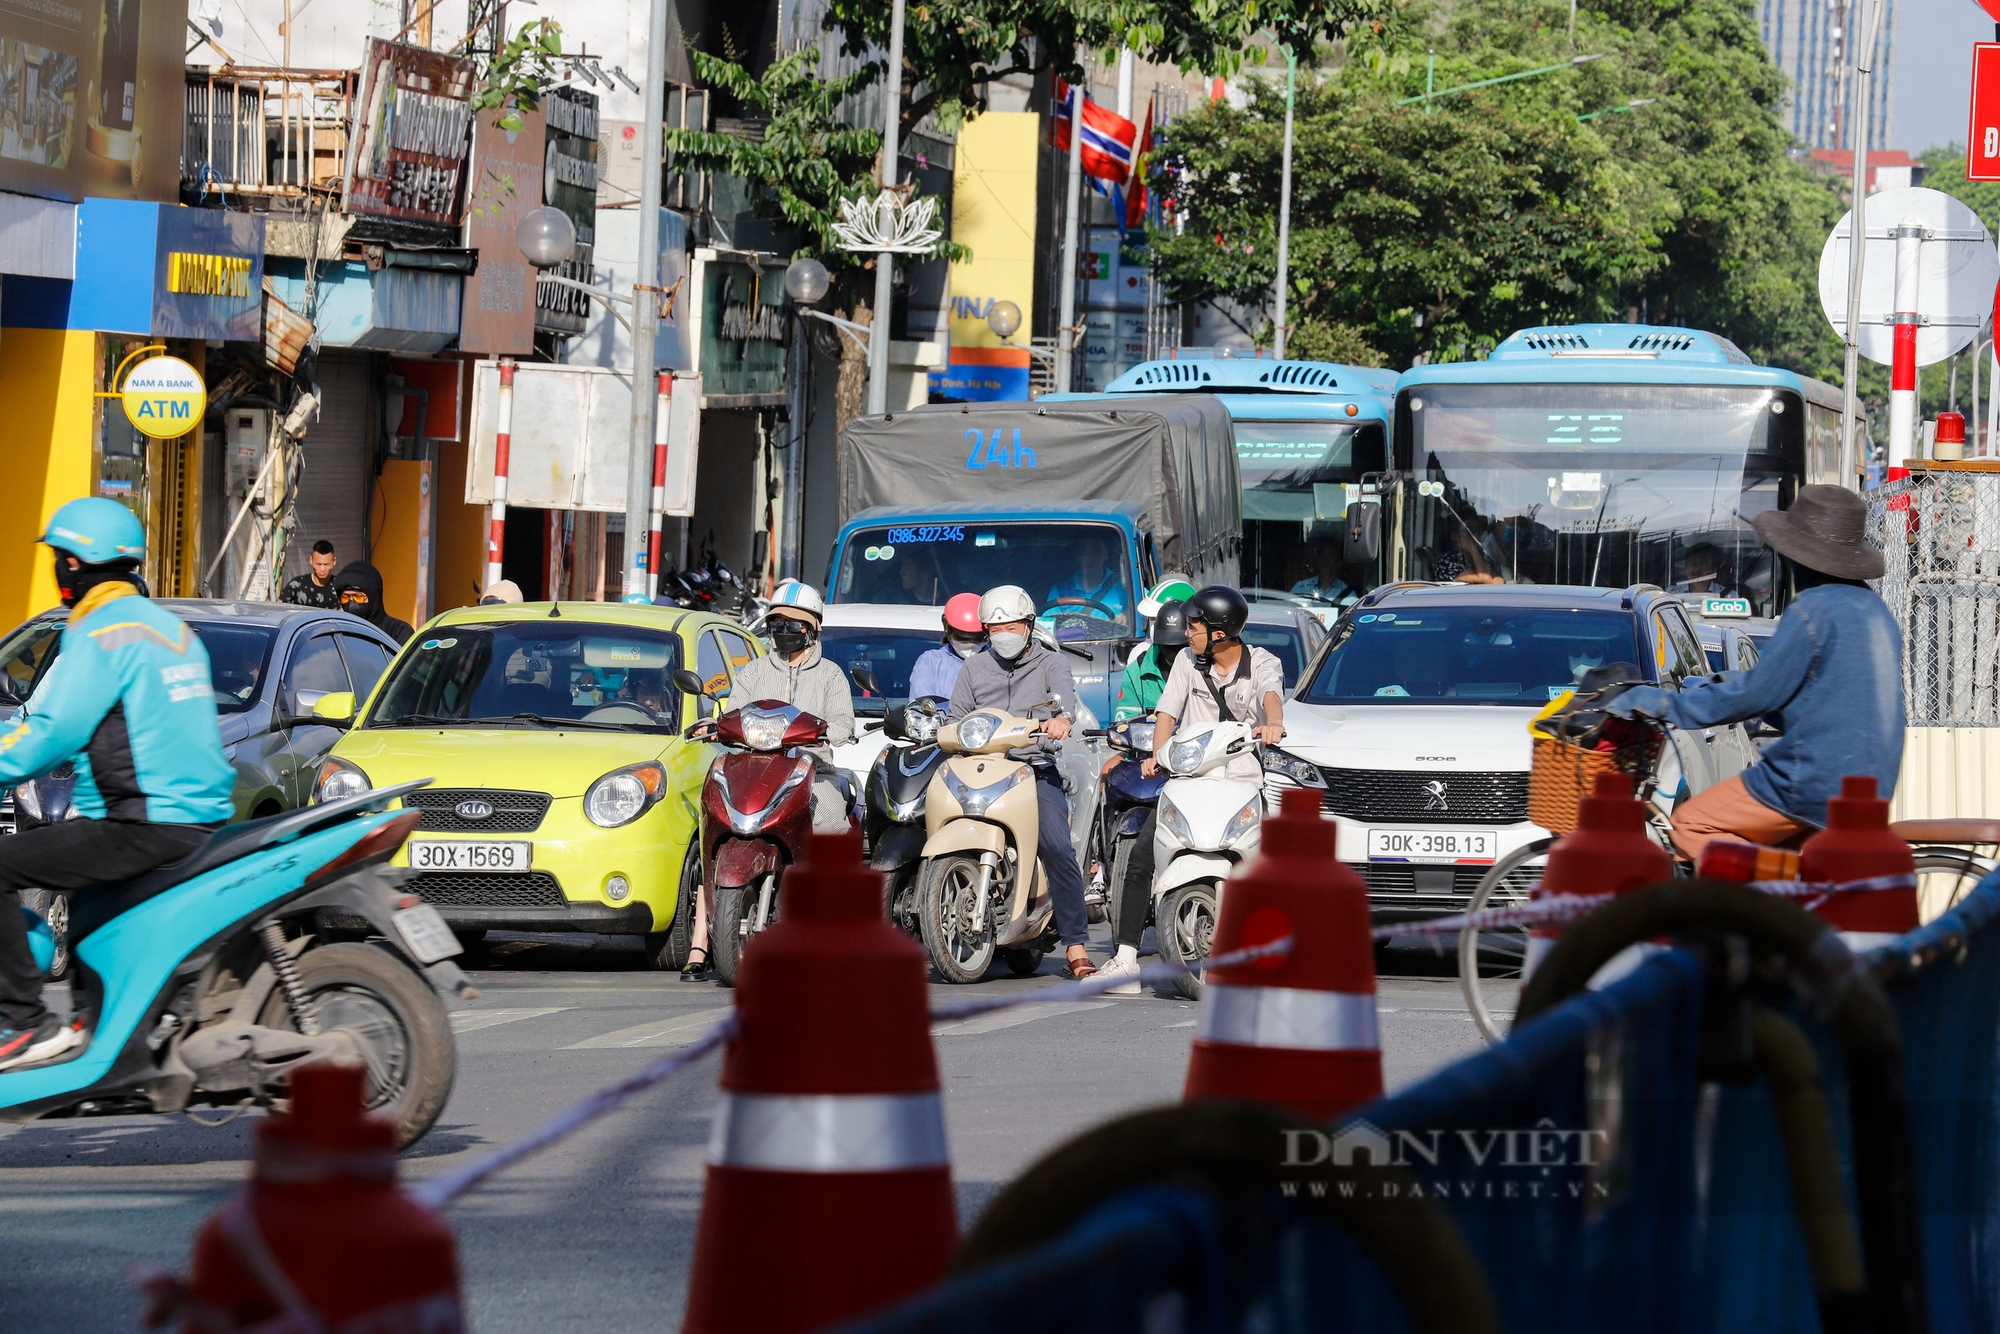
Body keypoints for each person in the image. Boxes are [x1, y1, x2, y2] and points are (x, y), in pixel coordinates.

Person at [0, 499, 237, 1069]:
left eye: (60, 558)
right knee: (82, 899)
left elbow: (53, 731)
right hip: (195, 820)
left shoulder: (99, 631)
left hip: (142, 824)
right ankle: (93, 1029)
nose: (57, 570)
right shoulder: (169, 629)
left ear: (79, 565)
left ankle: (27, 1025)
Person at [1604, 486, 1902, 860]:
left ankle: (1747, 914)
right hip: (1872, 788)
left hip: (1809, 781)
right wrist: (1722, 687)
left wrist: (1666, 703)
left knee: (1691, 823)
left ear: (1797, 556)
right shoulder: (1876, 612)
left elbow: (1756, 695)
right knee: (1795, 873)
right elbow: (1816, 698)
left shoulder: (1813, 609)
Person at [1107, 587, 1286, 995]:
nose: (1186, 633)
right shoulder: (1187, 662)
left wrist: (1272, 722)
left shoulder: (1261, 662)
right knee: (1141, 853)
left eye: (1194, 625)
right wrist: (1158, 755)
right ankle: (1124, 958)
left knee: (1276, 859)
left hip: (1241, 779)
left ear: (1219, 632)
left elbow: (1270, 698)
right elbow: (1168, 712)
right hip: (1190, 779)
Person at [682, 580, 856, 980]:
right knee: (711, 824)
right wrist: (714, 725)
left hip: (811, 771)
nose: (784, 630)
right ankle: (700, 942)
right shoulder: (754, 670)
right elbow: (733, 713)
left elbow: (844, 720)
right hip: (753, 769)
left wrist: (831, 729)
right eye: (777, 622)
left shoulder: (830, 675)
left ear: (813, 628)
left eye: (794, 623)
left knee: (829, 819)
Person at [945, 585, 1097, 980]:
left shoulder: (1051, 664)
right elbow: (955, 719)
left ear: (1029, 626)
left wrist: (1061, 720)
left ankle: (1076, 944)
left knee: (1058, 846)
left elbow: (1065, 702)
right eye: (995, 627)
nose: (1004, 633)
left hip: (1033, 769)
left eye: (1011, 625)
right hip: (982, 770)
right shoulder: (972, 669)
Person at [1114, 599, 1188, 721]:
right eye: (1167, 644)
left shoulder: (1204, 667)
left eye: (1179, 645)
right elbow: (1125, 720)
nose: (1173, 650)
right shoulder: (1138, 669)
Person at [908, 592, 984, 701]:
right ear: (947, 628)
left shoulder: (997, 661)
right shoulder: (930, 663)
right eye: (962, 638)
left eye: (977, 638)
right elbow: (924, 707)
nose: (970, 645)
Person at [1046, 533, 1129, 621]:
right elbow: (1048, 624)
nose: (1089, 557)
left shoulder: (1125, 585)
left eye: (1096, 550)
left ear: (1106, 554)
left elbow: (1143, 606)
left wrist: (1127, 614)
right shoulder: (1060, 590)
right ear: (1077, 555)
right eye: (1083, 551)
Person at [332, 561, 415, 645]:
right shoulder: (337, 631)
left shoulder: (398, 631)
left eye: (358, 597)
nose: (351, 603)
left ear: (374, 597)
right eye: (345, 597)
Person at [1291, 538, 1359, 607]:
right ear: (1318, 560)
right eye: (1323, 556)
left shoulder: (1349, 596)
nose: (1326, 561)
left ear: (1339, 562)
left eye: (1331, 557)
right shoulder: (1299, 588)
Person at [279, 540, 341, 609]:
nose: (322, 569)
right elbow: (279, 609)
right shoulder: (296, 585)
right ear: (311, 560)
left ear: (334, 562)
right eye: (318, 564)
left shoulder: (340, 587)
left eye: (326, 564)